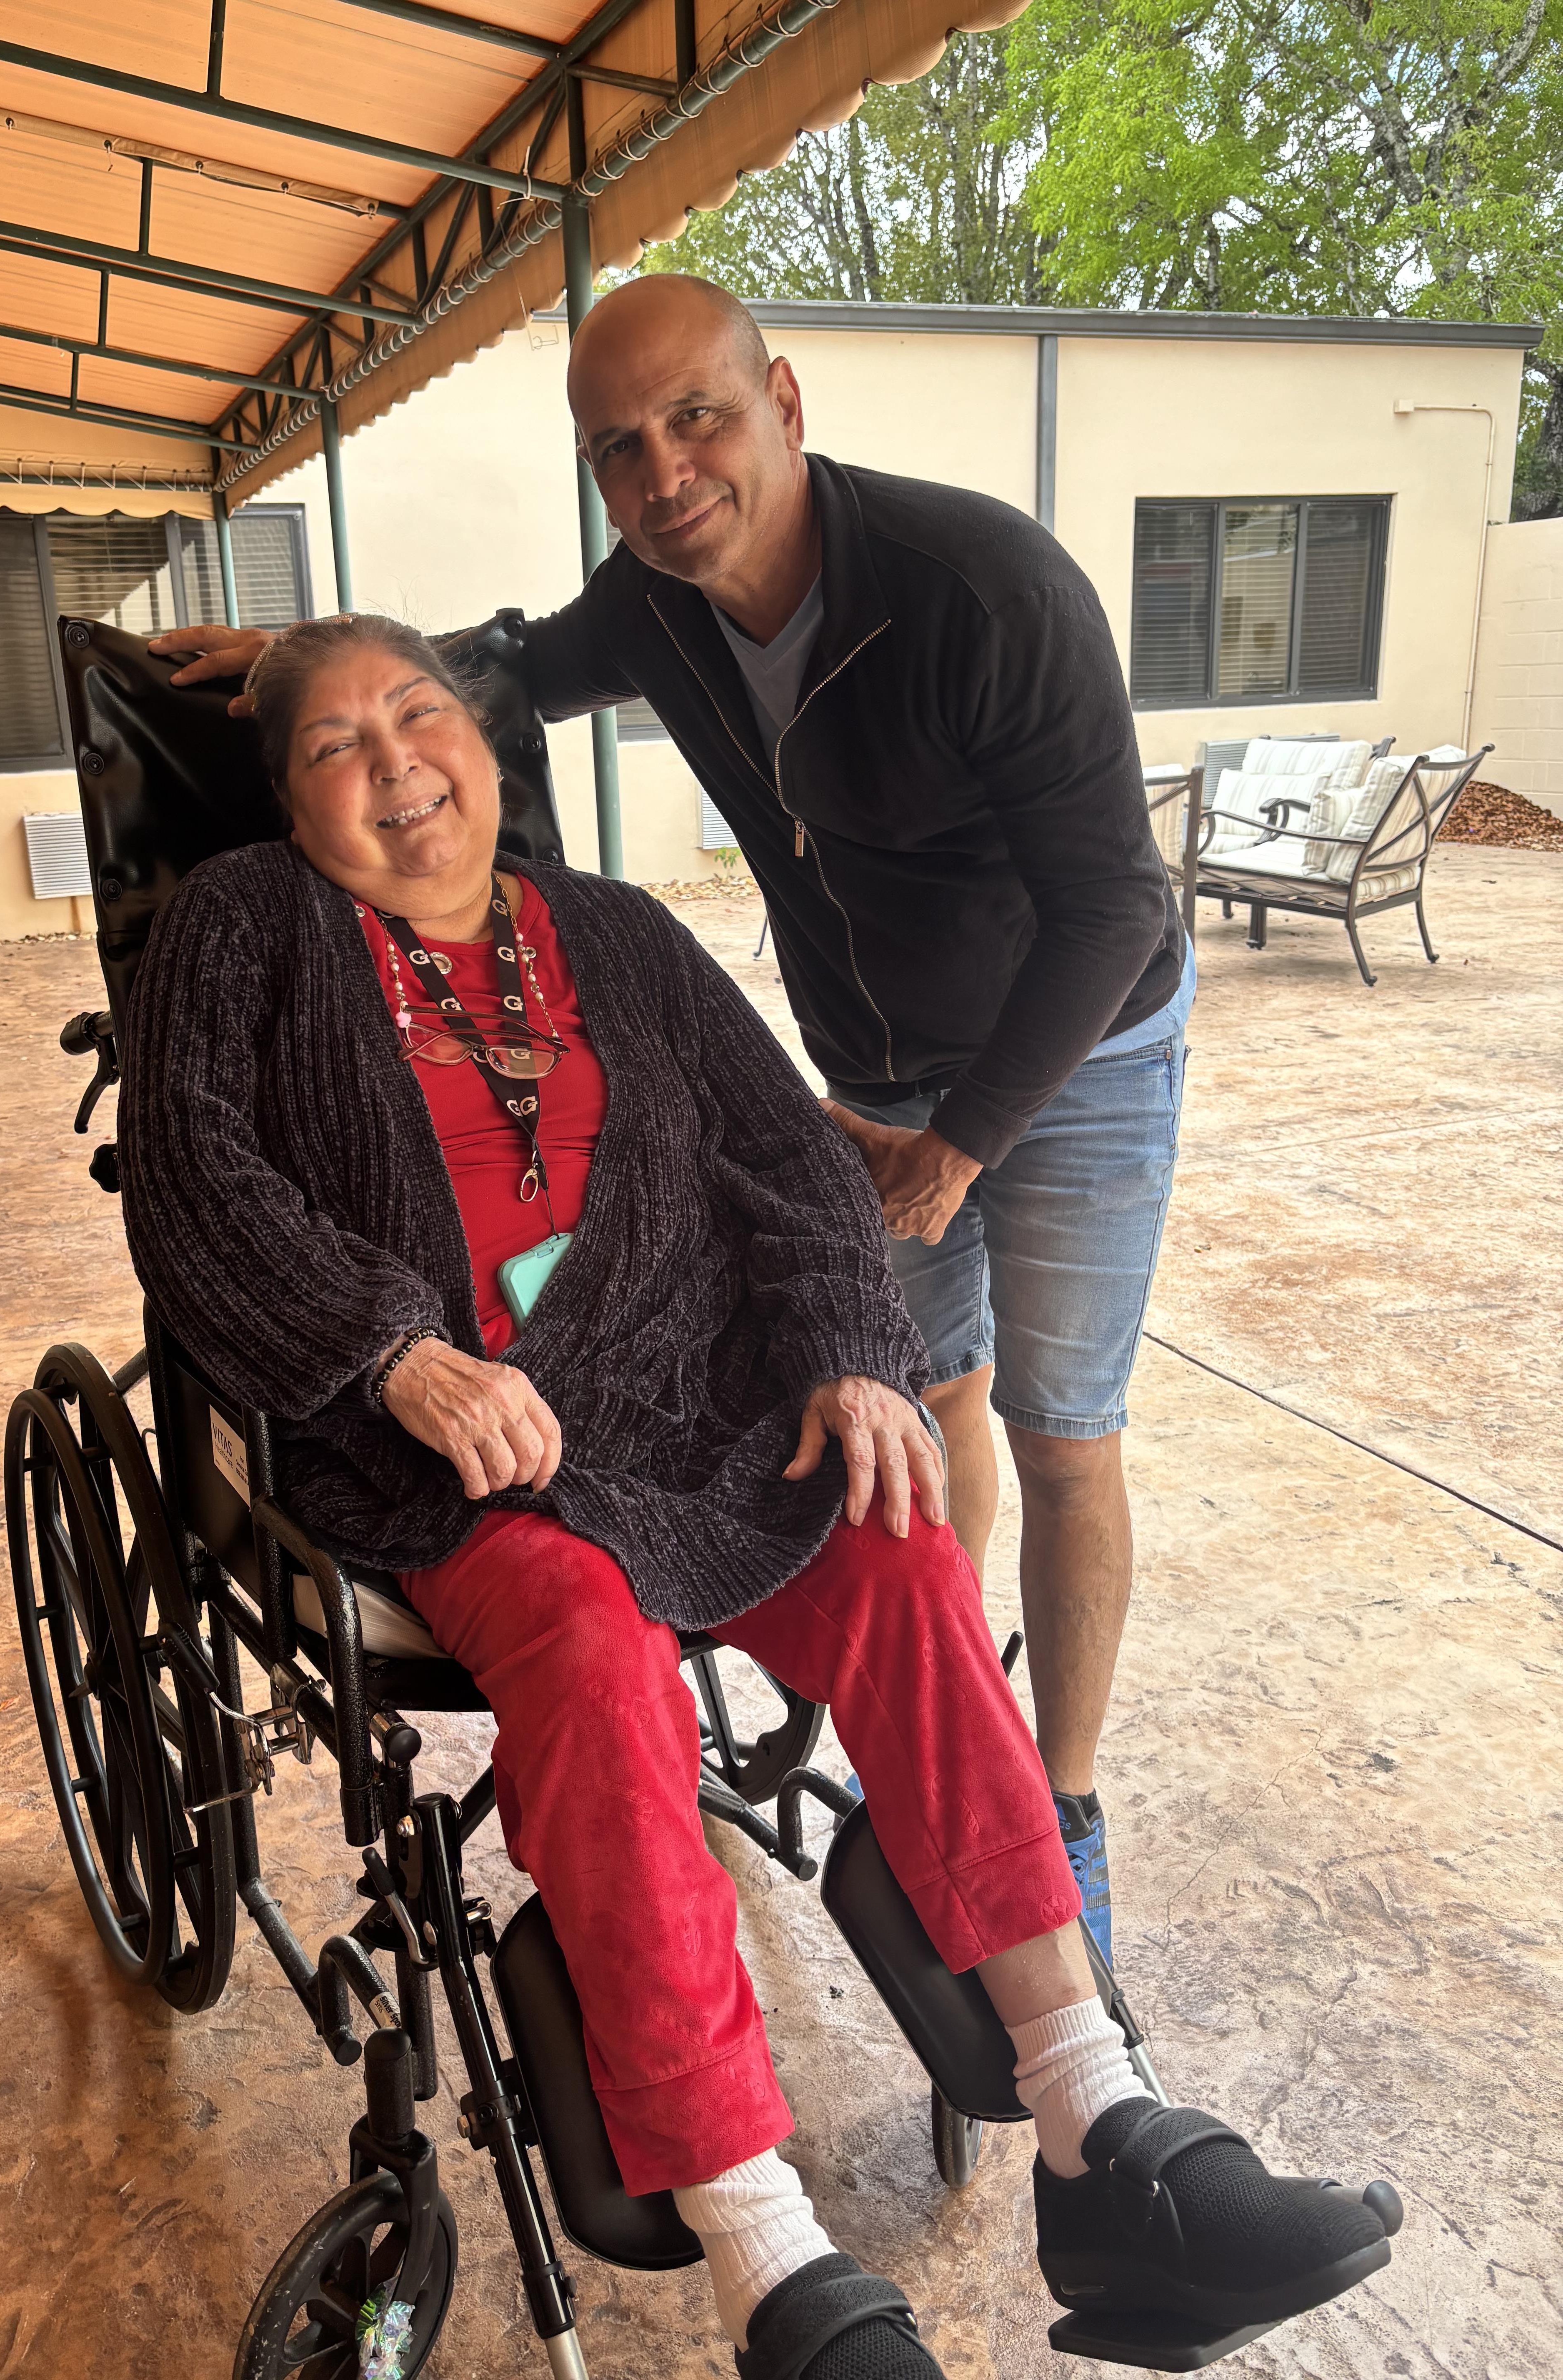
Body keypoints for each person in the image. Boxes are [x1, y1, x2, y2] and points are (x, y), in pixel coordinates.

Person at [120, 613, 1390, 2380]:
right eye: (335, 744)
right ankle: (767, 2258)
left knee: (898, 1537)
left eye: (421, 714)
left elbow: (788, 1159)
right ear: (282, 801)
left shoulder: (620, 933)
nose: (396, 761)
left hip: (686, 1404)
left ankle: (1103, 2129)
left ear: (487, 744)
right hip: (446, 1453)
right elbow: (192, 1177)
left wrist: (859, 1357)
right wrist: (391, 1353)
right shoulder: (242, 929)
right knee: (587, 1638)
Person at [152, 275, 1193, 1968]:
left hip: (1073, 1045)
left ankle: (1050, 1806)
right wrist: (306, 673)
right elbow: (485, 675)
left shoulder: (979, 588)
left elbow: (1113, 906)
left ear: (783, 400)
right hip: (868, 1060)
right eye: (618, 449)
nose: (664, 470)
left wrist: (964, 1143)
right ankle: (938, 1769)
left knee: (1067, 1432)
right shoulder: (650, 604)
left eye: (696, 418)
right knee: (923, 1403)